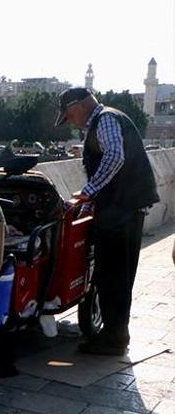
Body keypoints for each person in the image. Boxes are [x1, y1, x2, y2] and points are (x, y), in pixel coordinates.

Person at [54, 87, 160, 354]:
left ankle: (114, 339)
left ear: (78, 106)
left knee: (114, 275)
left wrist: (88, 192)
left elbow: (115, 155)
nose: (72, 121)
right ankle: (113, 333)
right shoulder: (108, 119)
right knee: (114, 274)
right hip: (123, 208)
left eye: (69, 115)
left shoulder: (105, 119)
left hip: (121, 210)